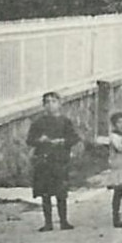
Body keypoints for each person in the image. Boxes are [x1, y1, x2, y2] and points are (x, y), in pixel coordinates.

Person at [27, 91, 80, 232]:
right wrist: (40, 140)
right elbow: (29, 140)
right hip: (43, 161)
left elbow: (74, 138)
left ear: (59, 104)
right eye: (47, 102)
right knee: (45, 194)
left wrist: (62, 141)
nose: (50, 105)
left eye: (53, 101)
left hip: (60, 160)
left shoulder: (65, 122)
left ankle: (63, 221)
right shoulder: (38, 123)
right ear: (43, 106)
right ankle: (48, 223)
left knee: (61, 192)